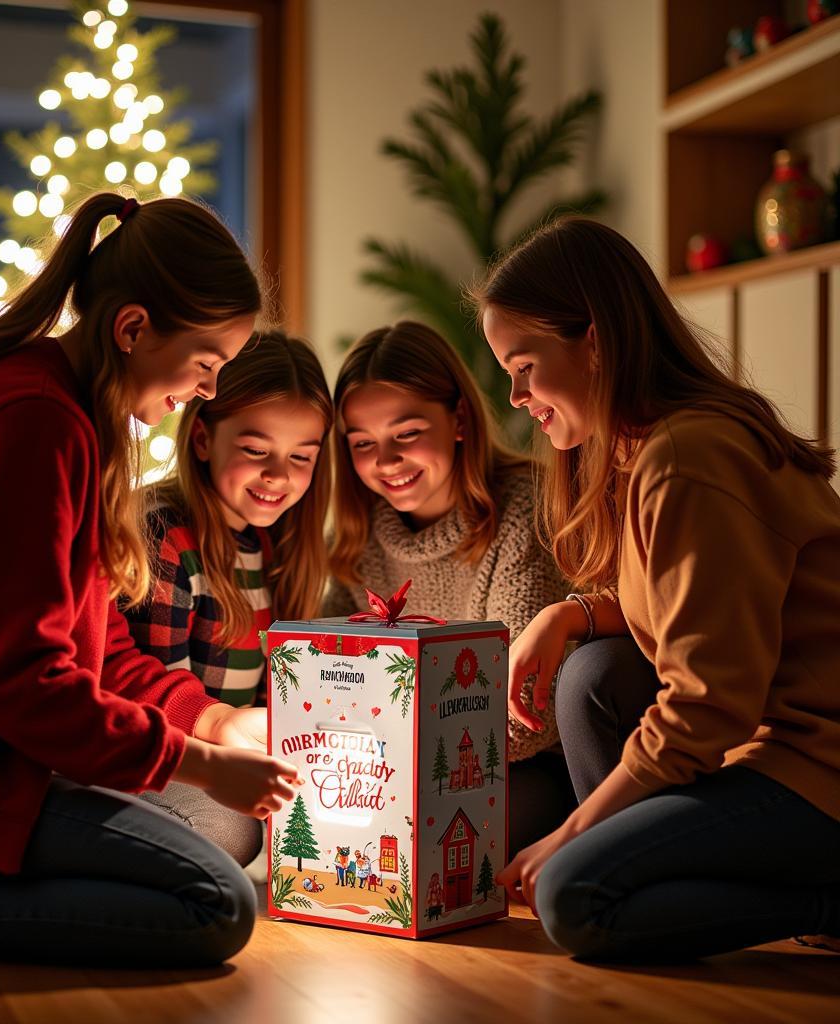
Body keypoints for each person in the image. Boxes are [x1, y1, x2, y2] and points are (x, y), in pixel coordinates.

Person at [0, 192, 301, 967]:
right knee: (212, 905)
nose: (207, 390)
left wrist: (212, 725)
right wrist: (200, 765)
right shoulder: (31, 423)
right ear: (134, 329)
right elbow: (20, 682)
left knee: (217, 833)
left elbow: (100, 654)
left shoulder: (77, 418)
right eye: (207, 363)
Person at [479, 217, 840, 962]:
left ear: (596, 341)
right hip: (762, 749)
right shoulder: (648, 447)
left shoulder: (688, 457)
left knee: (573, 897)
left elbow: (707, 703)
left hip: (818, 767)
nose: (514, 395)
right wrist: (568, 615)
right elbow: (683, 604)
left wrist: (574, 834)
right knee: (591, 674)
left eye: (523, 366)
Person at [323, 321, 574, 856]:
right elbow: (325, 683)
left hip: (526, 772)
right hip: (394, 767)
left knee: (418, 841)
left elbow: (528, 716)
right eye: (363, 443)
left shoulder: (523, 514)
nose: (386, 461)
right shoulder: (357, 539)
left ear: (458, 419)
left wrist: (384, 754)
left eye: (407, 432)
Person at [123, 331, 332, 865]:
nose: (278, 475)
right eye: (255, 450)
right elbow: (146, 697)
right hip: (161, 761)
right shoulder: (164, 535)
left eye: (301, 457)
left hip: (223, 759)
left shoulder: (269, 546)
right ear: (201, 440)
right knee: (229, 829)